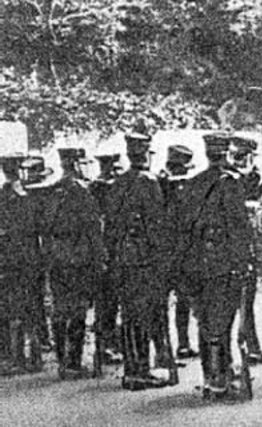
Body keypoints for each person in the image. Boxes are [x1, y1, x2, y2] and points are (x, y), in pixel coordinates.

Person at [105, 124, 173, 391]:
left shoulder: (118, 182)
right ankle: (140, 371)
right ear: (145, 154)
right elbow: (157, 225)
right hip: (144, 258)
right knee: (144, 314)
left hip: (122, 256)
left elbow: (111, 223)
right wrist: (164, 258)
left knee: (130, 315)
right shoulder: (148, 181)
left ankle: (132, 369)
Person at [185, 134, 253, 400]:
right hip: (223, 261)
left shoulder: (194, 182)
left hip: (196, 261)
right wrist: (243, 262)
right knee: (222, 320)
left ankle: (209, 376)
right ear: (226, 153)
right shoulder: (230, 182)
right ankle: (220, 381)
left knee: (205, 320)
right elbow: (238, 226)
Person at [39, 148, 106, 379]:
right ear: (76, 164)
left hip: (57, 257)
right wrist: (99, 258)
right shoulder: (81, 191)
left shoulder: (52, 190)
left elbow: (44, 227)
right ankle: (74, 362)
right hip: (79, 258)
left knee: (60, 309)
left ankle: (62, 360)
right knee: (78, 309)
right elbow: (93, 227)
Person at [232, 137, 262, 365]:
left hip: (245, 245)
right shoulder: (236, 179)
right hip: (237, 248)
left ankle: (252, 347)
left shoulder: (243, 177)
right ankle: (247, 349)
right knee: (242, 301)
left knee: (246, 301)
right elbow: (248, 199)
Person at [0, 155, 45, 374]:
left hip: (12, 261)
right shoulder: (29, 193)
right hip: (29, 259)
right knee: (30, 307)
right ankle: (32, 357)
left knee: (13, 309)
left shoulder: (6, 195)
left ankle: (17, 357)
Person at [159, 144, 198, 359]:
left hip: (168, 252)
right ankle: (177, 345)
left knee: (175, 301)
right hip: (177, 252)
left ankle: (173, 346)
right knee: (179, 300)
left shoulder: (160, 184)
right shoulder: (179, 187)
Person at [89, 153, 124, 365]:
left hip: (113, 253)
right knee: (107, 303)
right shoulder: (100, 189)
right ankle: (105, 347)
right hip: (106, 254)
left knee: (110, 303)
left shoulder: (98, 188)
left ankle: (109, 344)